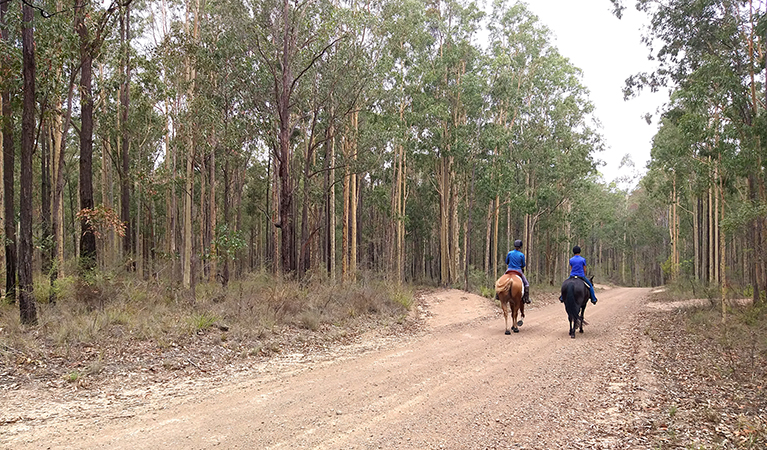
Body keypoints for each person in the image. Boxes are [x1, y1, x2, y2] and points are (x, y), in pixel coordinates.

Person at [505, 239, 531, 304]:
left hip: (509, 270)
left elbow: (506, 262)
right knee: (526, 284)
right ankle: (526, 298)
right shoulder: (521, 255)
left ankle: (497, 295)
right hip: (518, 271)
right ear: (520, 247)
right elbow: (523, 265)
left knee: (500, 280)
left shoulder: (510, 253)